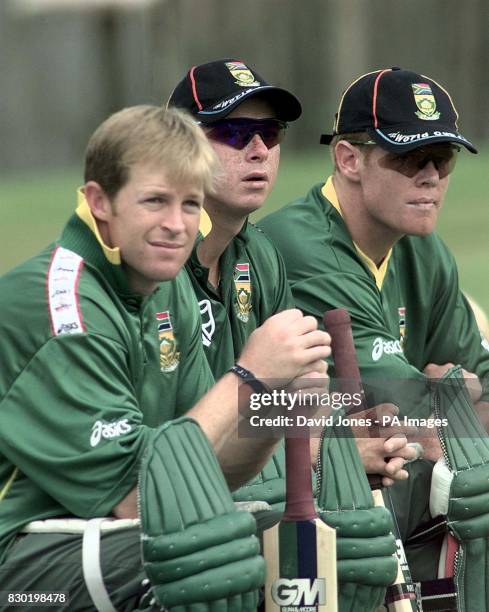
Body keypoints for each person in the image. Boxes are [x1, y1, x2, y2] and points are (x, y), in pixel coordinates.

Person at [0, 105, 331, 610]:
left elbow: (204, 471)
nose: (177, 225)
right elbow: (137, 497)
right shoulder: (61, 307)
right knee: (212, 557)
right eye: (155, 201)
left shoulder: (165, 286)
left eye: (190, 204)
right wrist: (248, 376)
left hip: (100, 537)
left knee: (308, 546)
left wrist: (275, 407)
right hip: (20, 568)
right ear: (100, 202)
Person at [259, 67, 489, 584]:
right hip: (309, 523)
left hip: (391, 516)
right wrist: (451, 396)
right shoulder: (302, 246)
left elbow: (482, 392)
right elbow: (399, 410)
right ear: (348, 159)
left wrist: (452, 399)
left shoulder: (424, 249)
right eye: (409, 158)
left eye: (443, 158)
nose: (430, 175)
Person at [167, 59, 415, 489]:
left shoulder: (261, 255)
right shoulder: (158, 265)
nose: (259, 149)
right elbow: (186, 444)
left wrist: (341, 434)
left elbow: (299, 402)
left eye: (271, 132)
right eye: (233, 133)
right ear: (177, 149)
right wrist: (329, 452)